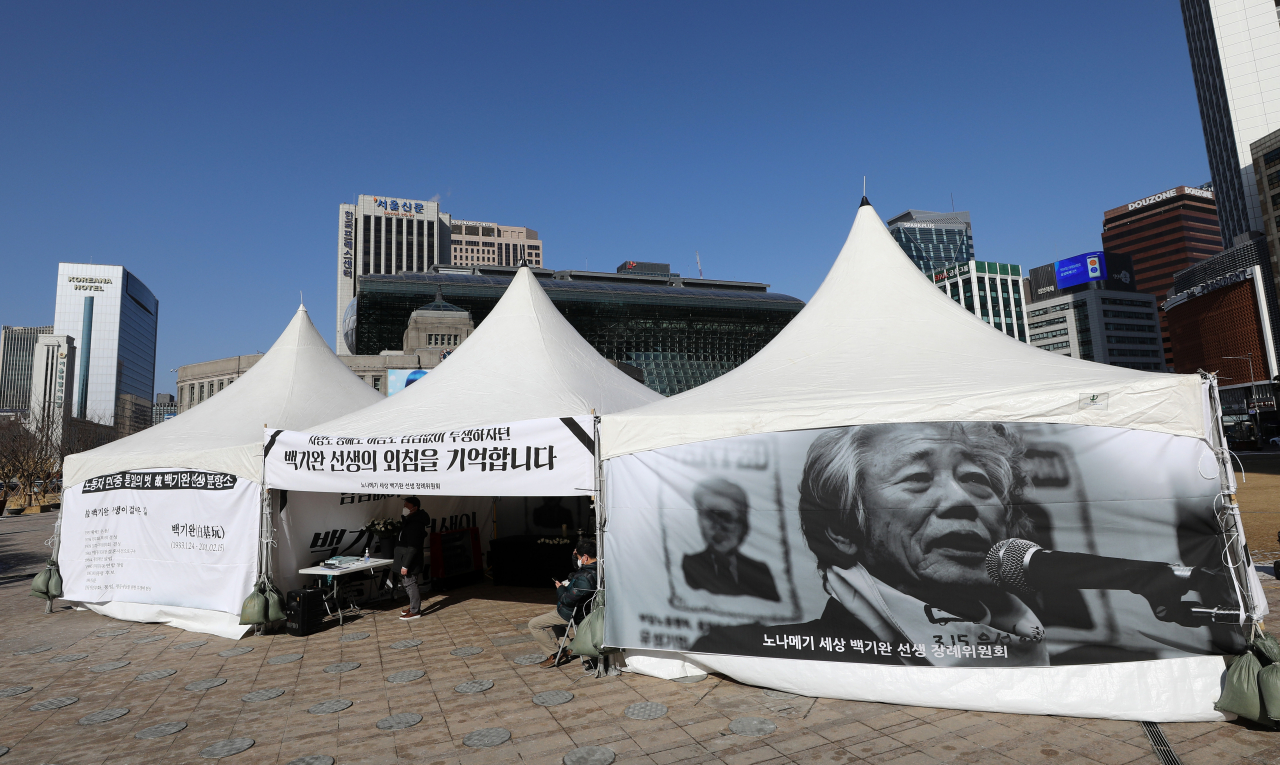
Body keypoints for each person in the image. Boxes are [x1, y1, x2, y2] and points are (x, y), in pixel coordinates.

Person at [692, 422, 1049, 667]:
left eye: (975, 478)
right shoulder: (753, 655)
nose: (960, 499)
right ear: (842, 531)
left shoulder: (1044, 654)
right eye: (917, 478)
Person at [682, 478, 779, 601]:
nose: (718, 527)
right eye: (710, 517)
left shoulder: (760, 571)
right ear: (700, 520)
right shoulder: (690, 565)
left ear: (741, 524)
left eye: (726, 517)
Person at [529, 537, 598, 667]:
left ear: (585, 557)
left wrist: (560, 588)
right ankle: (567, 650)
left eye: (578, 557)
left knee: (534, 624)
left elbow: (567, 600)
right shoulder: (597, 569)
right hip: (586, 610)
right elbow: (580, 569)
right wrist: (575, 557)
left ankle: (555, 653)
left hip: (574, 613)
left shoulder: (584, 578)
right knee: (556, 624)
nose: (578, 560)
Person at [395, 497, 429, 620]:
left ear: (415, 508)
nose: (404, 508)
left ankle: (415, 610)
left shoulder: (415, 524)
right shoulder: (410, 520)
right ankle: (413, 606)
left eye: (407, 506)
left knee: (411, 583)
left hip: (411, 560)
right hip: (407, 557)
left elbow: (413, 547)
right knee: (407, 583)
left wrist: (405, 565)